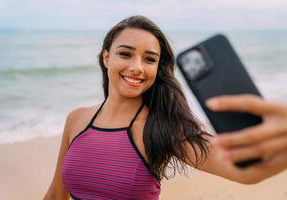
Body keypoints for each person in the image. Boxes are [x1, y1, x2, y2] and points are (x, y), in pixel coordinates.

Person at [44, 15, 287, 200]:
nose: (138, 67)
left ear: (158, 68)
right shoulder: (76, 119)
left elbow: (245, 173)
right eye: (126, 54)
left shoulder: (162, 126)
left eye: (149, 59)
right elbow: (56, 194)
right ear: (107, 57)